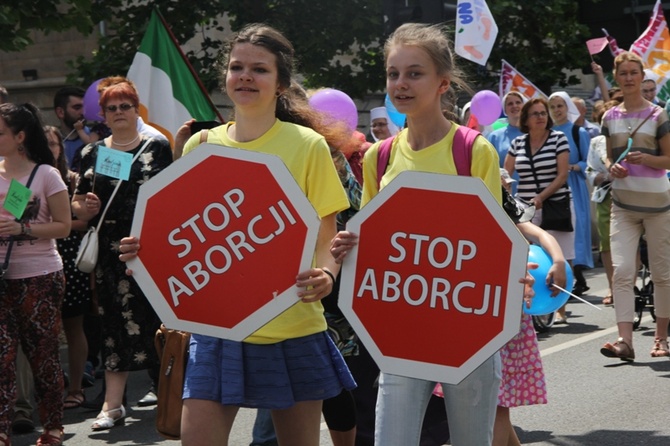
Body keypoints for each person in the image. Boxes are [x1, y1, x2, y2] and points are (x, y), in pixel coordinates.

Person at [121, 24, 354, 446]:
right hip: (216, 330)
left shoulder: (308, 146)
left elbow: (326, 236)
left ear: (280, 83)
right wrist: (146, 252)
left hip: (293, 326)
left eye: (259, 69)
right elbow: (181, 236)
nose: (246, 76)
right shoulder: (199, 146)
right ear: (226, 76)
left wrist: (327, 275)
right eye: (237, 67)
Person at [329, 23, 533, 446]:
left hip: (469, 332)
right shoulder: (379, 158)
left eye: (414, 73)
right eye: (393, 73)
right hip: (401, 333)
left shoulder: (473, 150)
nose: (401, 84)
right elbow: (373, 242)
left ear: (443, 83)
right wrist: (348, 247)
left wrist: (516, 271)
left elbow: (494, 241)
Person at [71, 78, 173, 431]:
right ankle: (112, 406)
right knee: (113, 322)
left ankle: (171, 397)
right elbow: (78, 205)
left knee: (157, 320)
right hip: (110, 253)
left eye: (124, 106)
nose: (118, 113)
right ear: (104, 115)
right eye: (111, 108)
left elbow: (172, 196)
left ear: (135, 109)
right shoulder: (92, 153)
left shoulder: (156, 146)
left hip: (151, 248)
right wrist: (86, 205)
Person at [0, 103, 72, 446]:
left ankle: (54, 427)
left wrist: (22, 226)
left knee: (42, 355)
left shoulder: (44, 175)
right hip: (1, 280)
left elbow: (64, 227)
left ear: (20, 137)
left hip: (40, 277)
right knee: (2, 357)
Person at [599, 51, 670, 361]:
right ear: (617, 77)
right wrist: (610, 166)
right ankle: (624, 341)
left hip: (658, 205)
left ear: (643, 77)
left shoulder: (658, 115)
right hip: (623, 204)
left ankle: (661, 338)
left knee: (662, 275)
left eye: (633, 72)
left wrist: (648, 159)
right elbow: (607, 156)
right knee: (623, 272)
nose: (628, 77)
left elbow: (668, 159)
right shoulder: (608, 117)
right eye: (623, 73)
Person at [493, 181, 566, 446]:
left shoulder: (508, 218)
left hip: (505, 323)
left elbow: (544, 236)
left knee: (497, 403)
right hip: (482, 319)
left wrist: (558, 261)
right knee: (496, 405)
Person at [504, 97, 575, 324]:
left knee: (560, 251)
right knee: (529, 254)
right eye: (535, 113)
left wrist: (541, 197)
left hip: (555, 203)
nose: (540, 117)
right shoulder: (518, 143)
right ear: (525, 119)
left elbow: (562, 174)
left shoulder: (558, 139)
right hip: (524, 208)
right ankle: (532, 302)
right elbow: (506, 173)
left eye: (543, 113)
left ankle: (559, 304)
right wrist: (505, 192)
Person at [44, 125, 94, 409]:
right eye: (45, 143)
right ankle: (49, 390)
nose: (50, 148)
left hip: (69, 258)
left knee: (74, 326)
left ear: (61, 148)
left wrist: (52, 226)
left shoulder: (72, 179)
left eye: (54, 143)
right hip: (36, 259)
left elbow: (84, 221)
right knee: (43, 333)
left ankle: (75, 388)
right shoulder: (24, 178)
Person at [548, 91, 593, 318]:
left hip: (574, 186)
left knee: (575, 234)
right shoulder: (547, 133)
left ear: (567, 107)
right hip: (554, 190)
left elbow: (589, 161)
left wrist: (574, 167)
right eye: (553, 106)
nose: (557, 110)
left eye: (560, 105)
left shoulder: (578, 132)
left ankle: (577, 274)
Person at [585, 101, 619, 306]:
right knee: (606, 244)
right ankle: (612, 285)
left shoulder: (627, 138)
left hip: (628, 193)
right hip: (604, 196)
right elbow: (589, 170)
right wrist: (600, 177)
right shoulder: (596, 141)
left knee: (627, 243)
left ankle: (627, 284)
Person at [486, 91, 526, 193]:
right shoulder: (495, 136)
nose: (514, 106)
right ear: (505, 109)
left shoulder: (535, 133)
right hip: (507, 193)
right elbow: (490, 167)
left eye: (518, 102)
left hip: (534, 193)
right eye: (510, 104)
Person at [53, 87, 97, 168]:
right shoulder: (51, 142)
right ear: (60, 112)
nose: (83, 112)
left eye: (85, 107)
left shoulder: (96, 138)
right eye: (77, 108)